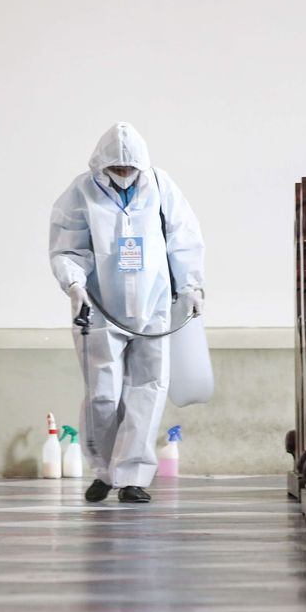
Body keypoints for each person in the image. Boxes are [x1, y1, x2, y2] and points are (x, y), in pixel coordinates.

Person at [49, 122, 205, 504]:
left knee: (149, 389)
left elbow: (183, 239)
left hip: (153, 306)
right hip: (100, 308)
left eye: (129, 170)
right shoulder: (81, 192)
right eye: (116, 170)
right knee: (102, 394)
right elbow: (68, 247)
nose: (123, 176)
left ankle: (133, 476)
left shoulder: (161, 186)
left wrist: (191, 285)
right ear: (101, 166)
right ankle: (104, 471)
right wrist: (74, 285)